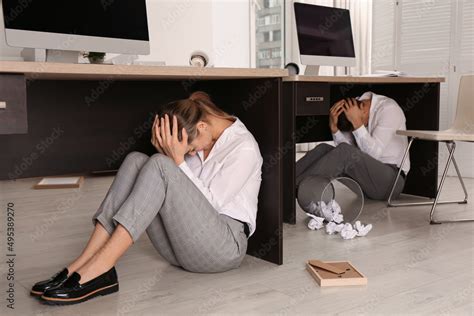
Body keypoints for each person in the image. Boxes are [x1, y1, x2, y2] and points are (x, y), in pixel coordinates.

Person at [31, 91, 263, 305]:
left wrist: (176, 160)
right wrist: (170, 155)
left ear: (202, 126)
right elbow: (178, 195)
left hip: (223, 248)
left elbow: (211, 205)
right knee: (136, 160)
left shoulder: (243, 148)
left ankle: (102, 267)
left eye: (190, 149)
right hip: (180, 247)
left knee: (161, 164)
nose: (192, 153)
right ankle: (82, 263)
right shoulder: (199, 133)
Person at [296, 91, 410, 200]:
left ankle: (291, 190)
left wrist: (357, 123)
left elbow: (372, 154)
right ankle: (282, 183)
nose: (356, 128)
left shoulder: (389, 109)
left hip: (392, 182)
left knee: (345, 152)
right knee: (323, 149)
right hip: (366, 183)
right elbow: (348, 153)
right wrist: (334, 129)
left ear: (363, 110)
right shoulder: (354, 108)